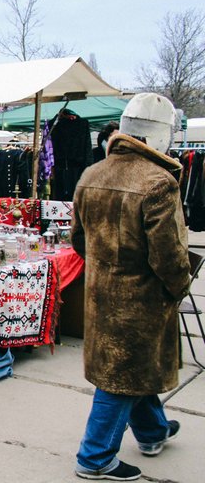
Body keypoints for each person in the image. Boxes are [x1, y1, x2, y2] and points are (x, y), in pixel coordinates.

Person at [71, 93, 190, 481]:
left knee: (130, 368)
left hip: (101, 294)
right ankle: (95, 456)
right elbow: (169, 256)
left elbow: (79, 241)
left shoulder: (93, 173)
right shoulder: (159, 182)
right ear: (162, 135)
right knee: (120, 379)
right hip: (140, 300)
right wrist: (179, 286)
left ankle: (153, 431)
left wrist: (106, 267)